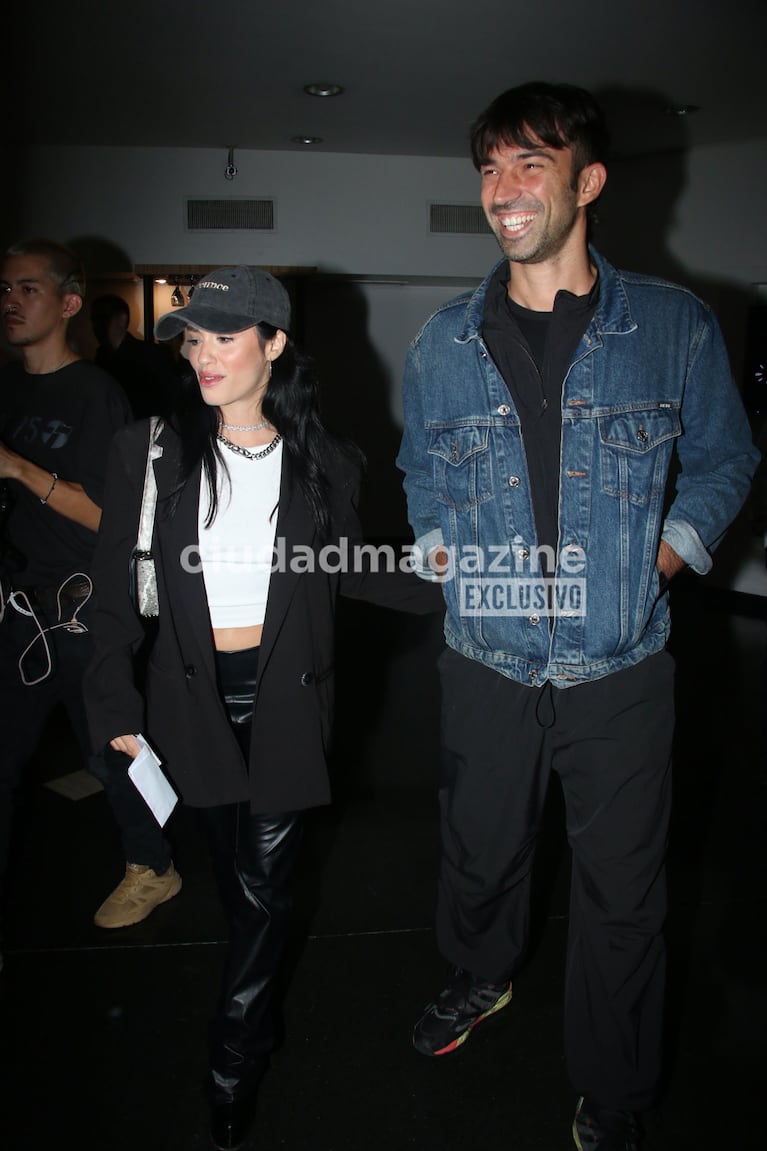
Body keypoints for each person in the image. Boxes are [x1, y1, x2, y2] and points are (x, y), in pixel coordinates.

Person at [396, 83, 760, 1151]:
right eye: (488, 167)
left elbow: (726, 458)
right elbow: (421, 474)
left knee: (623, 897)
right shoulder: (439, 346)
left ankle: (616, 1085)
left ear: (586, 182)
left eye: (528, 165)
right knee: (478, 851)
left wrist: (662, 552)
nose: (501, 190)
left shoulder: (673, 327)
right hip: (485, 660)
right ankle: (479, 971)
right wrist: (442, 555)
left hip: (620, 669)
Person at [83, 265, 439, 1151]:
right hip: (187, 706)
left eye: (225, 336)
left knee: (264, 888)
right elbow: (114, 602)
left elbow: (349, 569)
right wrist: (114, 701)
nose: (203, 354)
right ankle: (252, 1025)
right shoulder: (149, 449)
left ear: (274, 345)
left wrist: (462, 585)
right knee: (243, 889)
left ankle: (232, 1057)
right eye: (193, 338)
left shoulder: (327, 458)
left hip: (286, 702)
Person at [0, 239, 181, 952]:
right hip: (16, 609)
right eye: (3, 289)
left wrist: (18, 468)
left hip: (80, 614)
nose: (11, 300)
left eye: (28, 289)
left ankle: (153, 865)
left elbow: (113, 516)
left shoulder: (96, 394)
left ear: (68, 302)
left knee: (112, 756)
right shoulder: (9, 386)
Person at [90, 292, 177, 418]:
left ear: (122, 320)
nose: (96, 326)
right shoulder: (101, 358)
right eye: (94, 320)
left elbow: (169, 399)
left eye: (102, 318)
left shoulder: (149, 355)